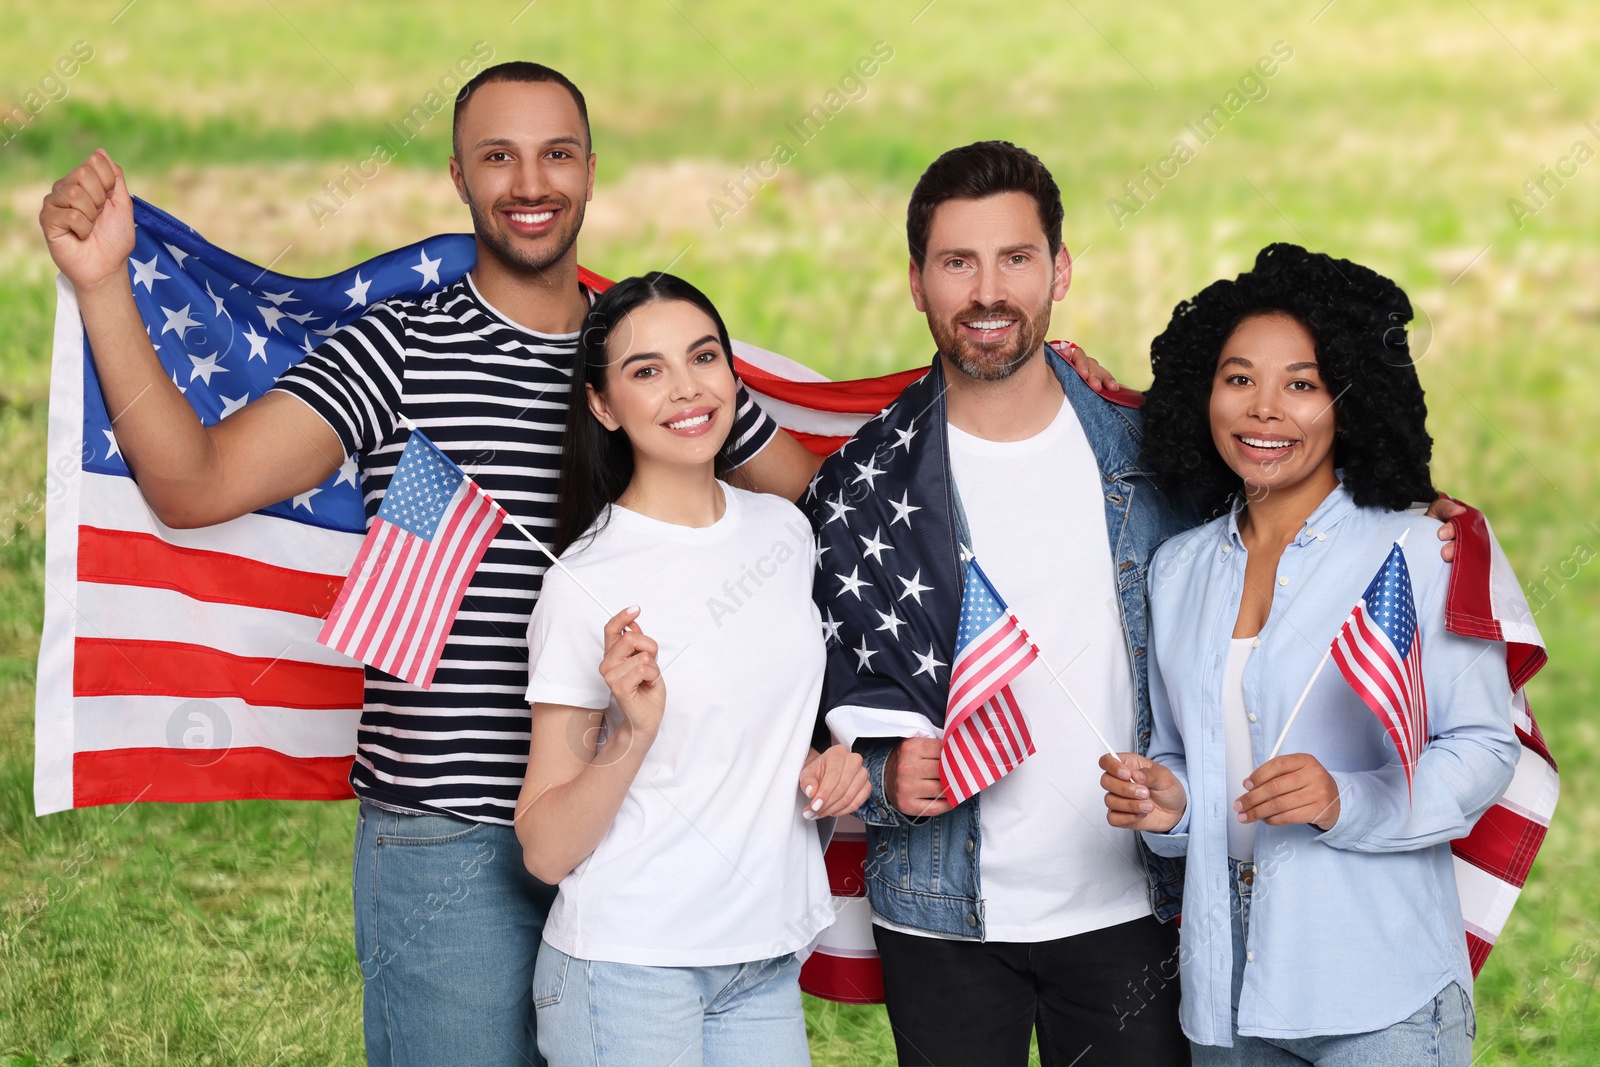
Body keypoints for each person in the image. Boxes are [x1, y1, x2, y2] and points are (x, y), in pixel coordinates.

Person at [36, 62, 825, 1067]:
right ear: (458, 175)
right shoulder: (398, 348)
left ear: (590, 170)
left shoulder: (649, 363)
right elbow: (193, 484)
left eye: (555, 154)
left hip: (639, 835)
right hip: (450, 836)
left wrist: (1024, 392)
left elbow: (826, 508)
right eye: (499, 156)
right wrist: (104, 282)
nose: (530, 182)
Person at [806, 142, 1469, 1067]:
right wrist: (879, 779)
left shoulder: (1159, 458)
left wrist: (1405, 502)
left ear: (1060, 271)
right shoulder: (861, 492)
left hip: (1133, 912)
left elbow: (1289, 474)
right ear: (917, 283)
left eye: (1017, 258)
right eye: (958, 262)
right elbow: (815, 691)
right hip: (942, 914)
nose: (988, 290)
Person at [1099, 243, 1520, 1065]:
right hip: (1226, 987)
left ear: (1350, 402)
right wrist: (1170, 805)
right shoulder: (1178, 570)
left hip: (1379, 982)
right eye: (1239, 378)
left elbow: (1484, 748)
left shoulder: (1416, 549)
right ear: (1203, 391)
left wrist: (1343, 800)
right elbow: (1186, 755)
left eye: (1303, 384)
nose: (1264, 410)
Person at [513, 273, 869, 1066]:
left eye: (702, 357)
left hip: (759, 961)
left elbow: (751, 730)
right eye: (647, 370)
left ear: (733, 374)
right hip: (629, 968)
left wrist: (828, 767)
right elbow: (543, 847)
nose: (686, 389)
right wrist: (632, 734)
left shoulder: (785, 534)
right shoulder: (584, 583)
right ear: (603, 405)